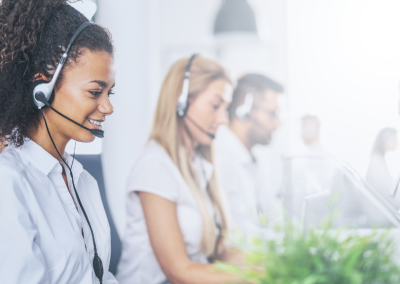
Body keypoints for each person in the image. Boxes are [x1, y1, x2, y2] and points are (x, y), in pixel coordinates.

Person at [0, 1, 118, 283]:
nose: (107, 107)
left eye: (109, 93)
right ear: (44, 89)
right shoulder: (8, 182)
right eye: (95, 92)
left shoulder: (83, 181)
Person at [116, 55, 243, 284]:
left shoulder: (198, 165)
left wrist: (277, 266)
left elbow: (219, 253)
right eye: (216, 105)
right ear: (181, 102)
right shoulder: (155, 166)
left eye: (226, 108)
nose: (224, 119)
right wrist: (255, 279)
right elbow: (179, 271)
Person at [214, 73, 284, 236]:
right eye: (273, 113)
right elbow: (240, 234)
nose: (278, 123)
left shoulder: (253, 159)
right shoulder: (221, 159)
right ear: (242, 110)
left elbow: (272, 215)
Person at [366, 128, 400, 209]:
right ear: (385, 141)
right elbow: (388, 191)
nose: (397, 143)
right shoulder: (376, 162)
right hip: (380, 213)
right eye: (394, 139)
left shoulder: (378, 159)